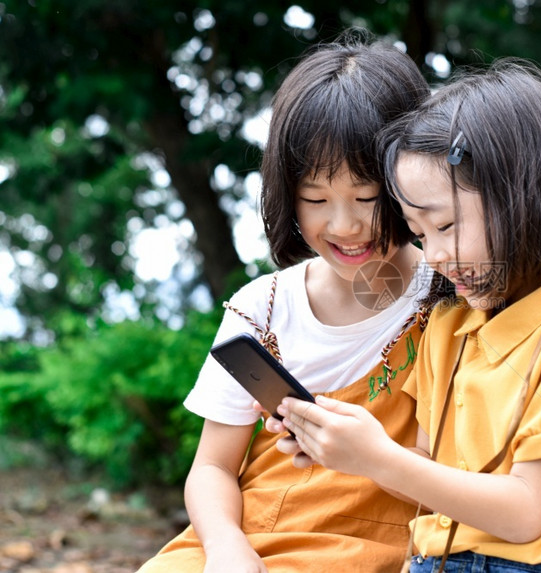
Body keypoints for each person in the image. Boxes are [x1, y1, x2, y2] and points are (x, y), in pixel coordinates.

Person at [266, 60, 541, 572]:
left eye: (445, 226)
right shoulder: (447, 327)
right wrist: (345, 445)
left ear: (523, 200)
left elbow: (527, 513)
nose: (434, 256)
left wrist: (378, 456)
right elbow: (426, 470)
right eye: (420, 235)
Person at [139, 32, 441, 573]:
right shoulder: (263, 308)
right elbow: (211, 467)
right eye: (316, 199)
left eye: (367, 197)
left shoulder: (450, 298)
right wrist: (228, 547)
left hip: (375, 545)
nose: (344, 225)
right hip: (249, 536)